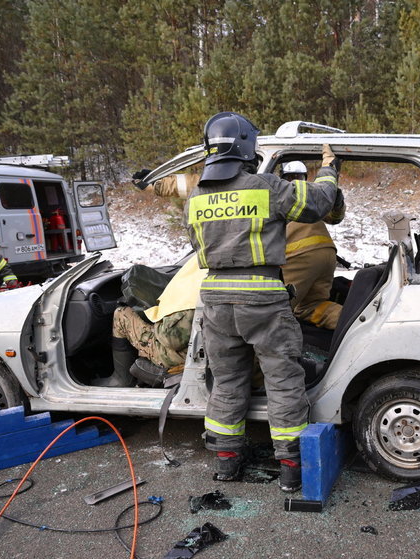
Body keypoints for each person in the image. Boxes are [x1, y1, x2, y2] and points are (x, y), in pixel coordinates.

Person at [184, 112, 342, 492]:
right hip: (262, 299)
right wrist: (330, 171)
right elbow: (318, 203)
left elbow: (198, 247)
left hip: (216, 301)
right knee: (284, 380)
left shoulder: (195, 198)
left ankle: (226, 461)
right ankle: (290, 467)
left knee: (227, 381)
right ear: (245, 147)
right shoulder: (266, 186)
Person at [96, 257, 207, 387]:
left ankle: (121, 380)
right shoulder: (214, 271)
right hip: (203, 350)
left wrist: (155, 321)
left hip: (184, 357)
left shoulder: (198, 274)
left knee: (122, 314)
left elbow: (171, 339)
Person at [281, 161, 346, 330]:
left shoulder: (279, 194)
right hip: (326, 254)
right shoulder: (311, 194)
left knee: (275, 309)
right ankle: (356, 325)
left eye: (297, 177)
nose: (294, 181)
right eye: (291, 177)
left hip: (300, 257)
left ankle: (269, 355)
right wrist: (337, 202)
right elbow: (334, 217)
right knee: (309, 306)